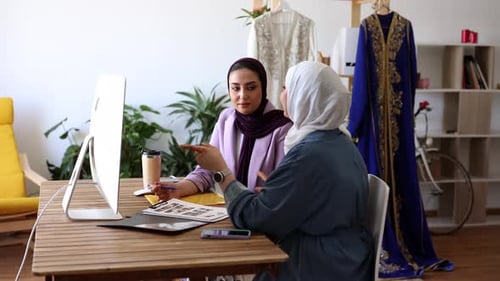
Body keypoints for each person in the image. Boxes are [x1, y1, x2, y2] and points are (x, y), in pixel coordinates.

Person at [181, 61, 373, 281]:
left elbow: (254, 217)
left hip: (319, 263)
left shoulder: (308, 153)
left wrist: (221, 172)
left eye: (286, 88)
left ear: (305, 97)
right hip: (349, 256)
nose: (282, 96)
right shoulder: (339, 141)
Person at [347, 3, 454, 279]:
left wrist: (355, 125)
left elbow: (399, 74)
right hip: (385, 124)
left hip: (387, 122)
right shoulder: (374, 27)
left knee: (392, 180)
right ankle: (393, 245)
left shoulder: (398, 27)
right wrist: (362, 122)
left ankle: (398, 246)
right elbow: (374, 74)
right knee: (384, 178)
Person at [154, 57, 292, 202]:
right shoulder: (226, 119)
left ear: (263, 88)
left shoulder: (281, 127)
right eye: (235, 88)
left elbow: (281, 187)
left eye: (251, 88)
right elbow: (208, 171)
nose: (243, 95)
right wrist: (179, 188)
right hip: (226, 210)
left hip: (260, 213)